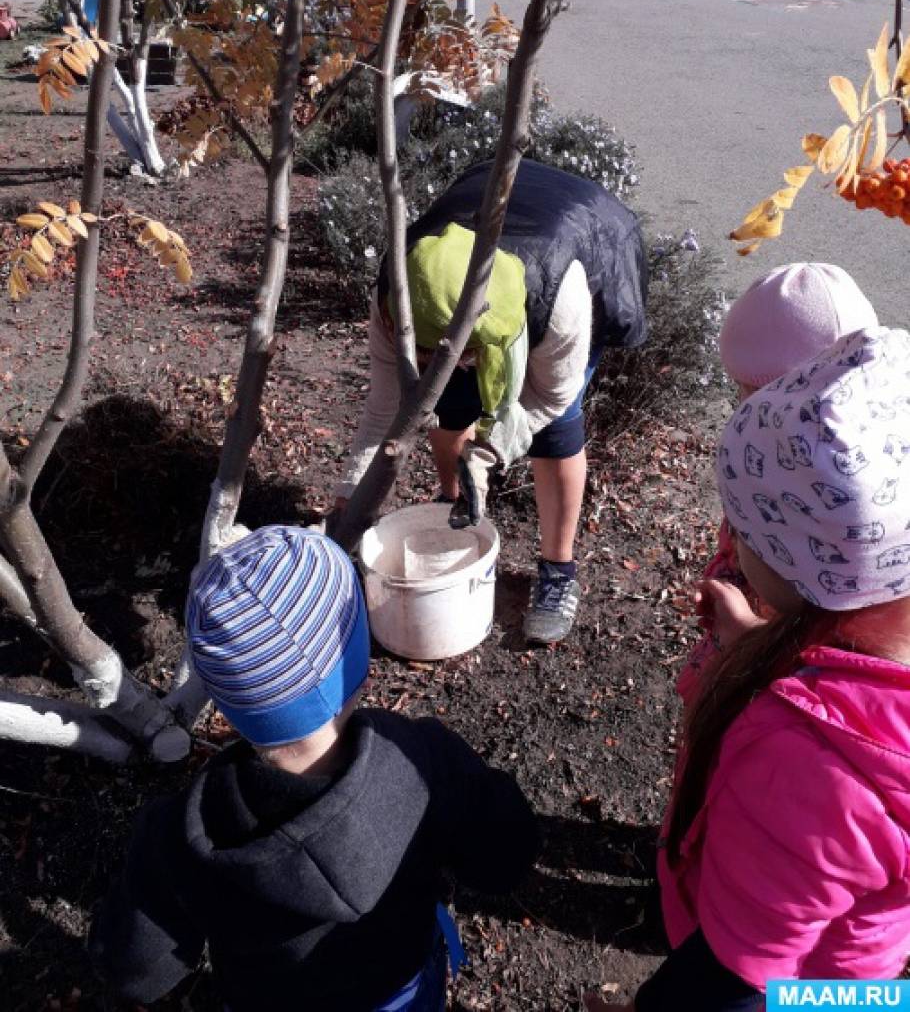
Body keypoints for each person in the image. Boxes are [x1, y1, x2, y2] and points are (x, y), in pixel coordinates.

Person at [88, 526, 539, 1011]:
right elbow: (504, 860)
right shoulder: (424, 760)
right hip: (402, 989)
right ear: (354, 653)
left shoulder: (181, 834)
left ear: (224, 695)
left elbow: (135, 972)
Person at [599, 326, 910, 1011]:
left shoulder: (808, 766)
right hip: (865, 973)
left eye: (744, 526)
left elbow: (736, 981)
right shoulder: (873, 658)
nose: (729, 540)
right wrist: (750, 644)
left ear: (808, 569)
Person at [335, 158, 648, 644]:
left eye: (465, 353)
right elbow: (384, 410)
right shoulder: (395, 295)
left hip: (585, 235)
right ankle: (451, 502)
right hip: (486, 215)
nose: (422, 357)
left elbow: (548, 397)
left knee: (555, 432)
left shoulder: (560, 304)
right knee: (442, 399)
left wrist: (486, 454)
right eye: (416, 347)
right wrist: (347, 505)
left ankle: (558, 570)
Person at [677, 262, 878, 702]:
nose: (743, 409)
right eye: (741, 391)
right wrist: (729, 575)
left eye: (753, 394)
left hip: (773, 682)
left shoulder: (851, 511)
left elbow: (835, 653)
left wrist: (752, 637)